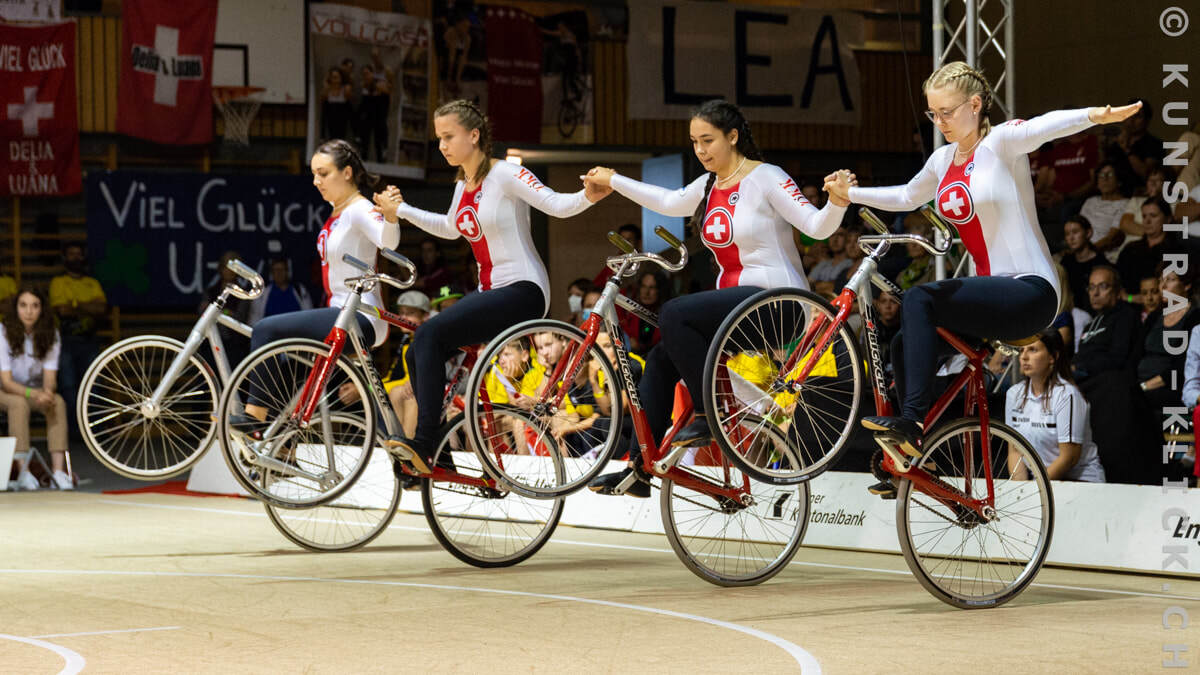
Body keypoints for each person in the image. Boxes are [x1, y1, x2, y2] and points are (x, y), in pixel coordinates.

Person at [822, 59, 1142, 465]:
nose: (940, 121)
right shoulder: (942, 161)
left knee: (919, 299)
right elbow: (906, 197)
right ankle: (920, 444)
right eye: (932, 114)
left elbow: (1047, 125)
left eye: (948, 112)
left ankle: (912, 423)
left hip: (1032, 292)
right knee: (904, 344)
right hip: (990, 300)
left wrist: (1096, 116)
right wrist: (852, 195)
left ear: (975, 105)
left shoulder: (1001, 144)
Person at [582, 99, 848, 497]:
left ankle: (710, 414)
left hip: (777, 303)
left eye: (708, 140)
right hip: (735, 311)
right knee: (660, 357)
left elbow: (815, 225)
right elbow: (669, 202)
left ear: (733, 136)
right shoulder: (709, 184)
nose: (701, 150)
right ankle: (642, 466)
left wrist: (838, 202)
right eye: (694, 142)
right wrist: (615, 181)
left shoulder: (766, 177)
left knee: (673, 313)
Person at [372, 99, 610, 473]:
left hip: (524, 290)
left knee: (430, 335)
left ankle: (425, 441)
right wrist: (401, 210)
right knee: (421, 344)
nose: (442, 146)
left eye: (448, 136)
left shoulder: (506, 175)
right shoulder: (463, 183)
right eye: (439, 139)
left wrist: (588, 195)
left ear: (474, 135)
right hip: (493, 293)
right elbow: (450, 228)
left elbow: (555, 204)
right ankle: (438, 456)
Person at [235, 139, 398, 430]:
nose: (316, 181)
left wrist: (390, 216)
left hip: (362, 316)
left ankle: (253, 420)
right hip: (340, 311)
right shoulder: (338, 211)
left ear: (347, 173)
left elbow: (388, 242)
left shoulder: (360, 209)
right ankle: (285, 443)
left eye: (323, 173)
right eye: (313, 174)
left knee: (265, 329)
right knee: (294, 364)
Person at [1005, 330, 1106, 482]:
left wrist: (1036, 491)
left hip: (1079, 481)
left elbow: (1069, 458)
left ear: (1053, 357)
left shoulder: (1067, 395)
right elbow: (1014, 451)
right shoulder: (1014, 394)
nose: (1024, 357)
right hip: (1042, 483)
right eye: (1022, 350)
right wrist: (1021, 491)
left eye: (1033, 350)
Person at [0, 286, 70, 490]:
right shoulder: (3, 332)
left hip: (33, 390)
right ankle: (23, 471)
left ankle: (58, 471)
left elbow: (50, 376)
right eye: (23, 305)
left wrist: (47, 392)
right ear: (16, 308)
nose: (29, 311)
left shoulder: (51, 334)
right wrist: (34, 393)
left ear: (42, 309)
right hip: (6, 390)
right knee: (18, 404)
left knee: (57, 402)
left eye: (34, 306)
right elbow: (6, 382)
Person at [50, 242, 107, 426]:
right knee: (68, 386)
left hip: (89, 340)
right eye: (71, 254)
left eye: (78, 254)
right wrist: (87, 306)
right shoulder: (58, 282)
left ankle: (95, 430)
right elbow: (62, 311)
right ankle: (74, 431)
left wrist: (75, 304)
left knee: (95, 385)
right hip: (65, 341)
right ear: (64, 258)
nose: (76, 257)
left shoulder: (93, 283)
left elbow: (102, 309)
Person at [1137, 264, 1199, 409]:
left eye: (1170, 280)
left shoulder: (1195, 318)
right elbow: (1135, 354)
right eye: (1160, 280)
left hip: (1170, 388)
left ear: (1187, 285)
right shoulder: (1154, 317)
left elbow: (1181, 367)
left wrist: (1145, 386)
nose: (1163, 286)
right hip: (1142, 383)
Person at [1074, 265, 1140, 384]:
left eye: (1103, 286)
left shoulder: (1126, 316)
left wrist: (1079, 367)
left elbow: (1117, 359)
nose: (1095, 293)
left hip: (1110, 384)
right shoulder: (1090, 325)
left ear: (1118, 291)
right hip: (1083, 379)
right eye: (1091, 287)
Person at [1117, 197, 1182, 297]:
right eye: (1144, 216)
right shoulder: (1130, 248)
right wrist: (1131, 298)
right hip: (1128, 305)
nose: (1147, 221)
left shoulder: (1176, 250)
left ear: (1168, 219)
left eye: (1153, 216)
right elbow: (1119, 286)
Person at [199, 250, 252, 368]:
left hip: (234, 343)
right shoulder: (211, 290)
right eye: (227, 267)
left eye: (233, 268)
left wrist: (217, 312)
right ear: (221, 268)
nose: (230, 271)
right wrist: (227, 312)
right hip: (211, 342)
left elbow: (239, 317)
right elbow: (203, 312)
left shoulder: (244, 294)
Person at [1079, 162, 1129, 254]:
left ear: (1119, 181)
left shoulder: (1125, 204)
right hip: (1080, 249)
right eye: (1101, 175)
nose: (1105, 179)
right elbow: (1078, 229)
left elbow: (1112, 238)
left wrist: (1086, 252)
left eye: (1110, 175)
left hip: (1100, 252)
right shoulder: (1090, 201)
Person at [1056, 216, 1103, 312]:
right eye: (1067, 234)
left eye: (1075, 232)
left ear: (1088, 233)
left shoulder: (1100, 263)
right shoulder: (1066, 261)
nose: (1071, 238)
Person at [248, 257, 314, 325]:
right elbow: (255, 319)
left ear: (287, 271)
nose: (279, 273)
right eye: (276, 270)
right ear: (272, 273)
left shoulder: (300, 290)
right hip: (272, 332)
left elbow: (308, 315)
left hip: (295, 332)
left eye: (282, 270)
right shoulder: (263, 293)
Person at [620, 269, 667, 355]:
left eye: (652, 287)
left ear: (660, 290)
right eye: (643, 286)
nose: (646, 292)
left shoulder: (666, 316)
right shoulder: (629, 310)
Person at [321, 67, 353, 140]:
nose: (335, 79)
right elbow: (322, 100)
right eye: (333, 77)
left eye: (337, 77)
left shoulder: (345, 89)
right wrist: (325, 84)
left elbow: (350, 101)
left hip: (342, 116)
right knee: (332, 137)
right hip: (331, 115)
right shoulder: (327, 89)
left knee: (341, 137)